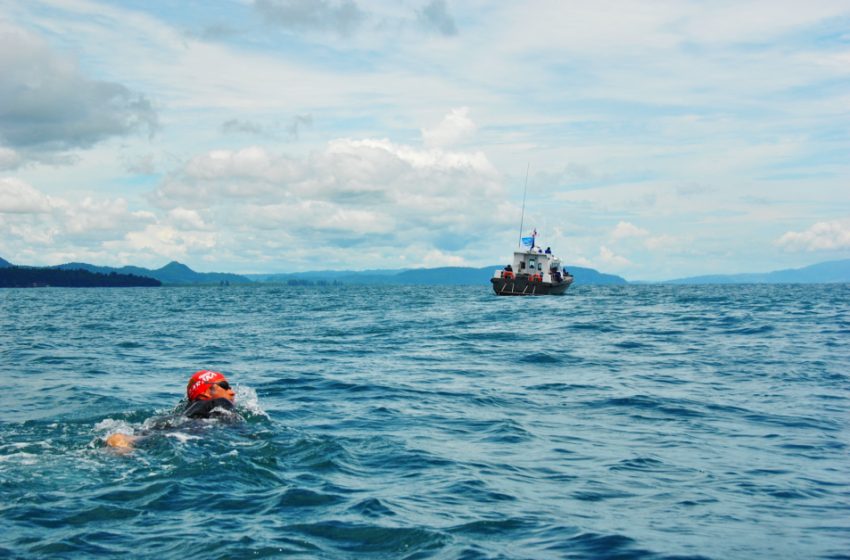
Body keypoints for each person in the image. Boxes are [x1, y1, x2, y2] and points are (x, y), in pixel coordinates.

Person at [105, 369, 237, 449]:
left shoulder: (183, 409)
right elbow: (233, 426)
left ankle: (122, 439)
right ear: (205, 393)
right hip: (181, 429)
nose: (232, 392)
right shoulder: (219, 402)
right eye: (225, 386)